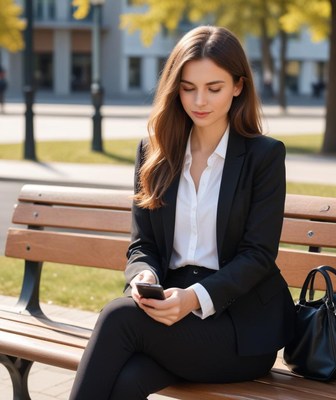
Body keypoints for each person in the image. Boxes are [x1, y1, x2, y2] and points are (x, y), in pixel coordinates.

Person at [69, 25, 295, 400]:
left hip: (239, 330)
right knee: (126, 382)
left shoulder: (264, 157)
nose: (199, 100)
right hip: (170, 316)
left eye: (214, 88)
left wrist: (192, 298)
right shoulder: (155, 152)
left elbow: (258, 256)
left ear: (239, 86)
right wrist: (144, 276)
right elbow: (142, 244)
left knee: (117, 318)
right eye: (188, 88)